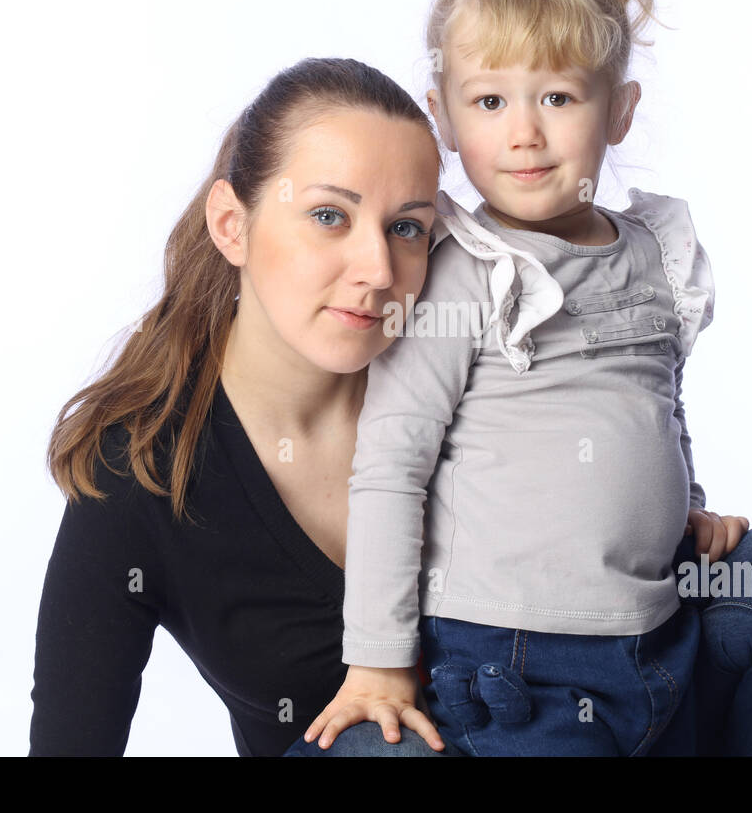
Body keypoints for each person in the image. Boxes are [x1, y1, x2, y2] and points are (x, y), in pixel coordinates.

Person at [297, 0, 752, 756]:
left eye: (558, 96)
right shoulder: (460, 268)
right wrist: (376, 661)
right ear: (442, 116)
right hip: (514, 664)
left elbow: (656, 398)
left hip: (658, 633)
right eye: (489, 101)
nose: (524, 132)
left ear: (618, 111)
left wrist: (687, 509)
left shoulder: (653, 252)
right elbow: (392, 467)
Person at [29, 56, 450, 756]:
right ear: (231, 224)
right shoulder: (142, 472)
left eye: (407, 227)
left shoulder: (475, 387)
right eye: (329, 216)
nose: (378, 269)